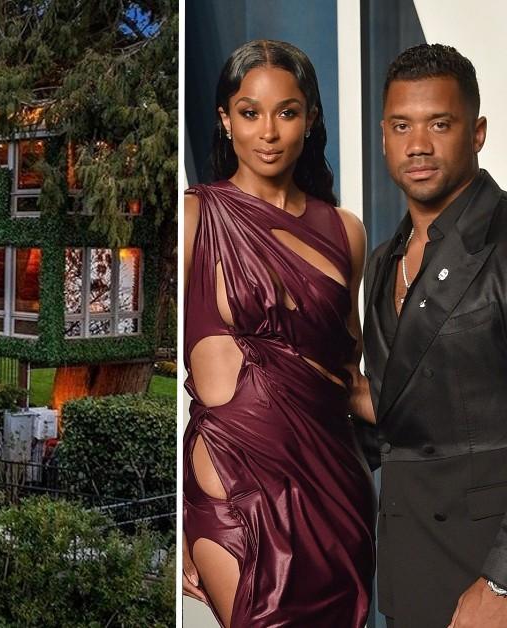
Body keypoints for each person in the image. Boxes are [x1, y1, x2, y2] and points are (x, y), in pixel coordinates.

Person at [182, 39, 375, 627]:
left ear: (310, 120)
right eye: (249, 112)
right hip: (234, 487)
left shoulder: (347, 232)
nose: (268, 132)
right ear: (225, 119)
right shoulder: (195, 216)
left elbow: (347, 376)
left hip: (334, 493)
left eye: (287, 113)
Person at [362, 43, 507, 628]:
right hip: (405, 573)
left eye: (438, 124)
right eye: (402, 125)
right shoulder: (379, 264)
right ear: (383, 136)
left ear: (477, 133)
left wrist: (501, 582)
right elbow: (391, 423)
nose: (417, 145)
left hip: (486, 570)